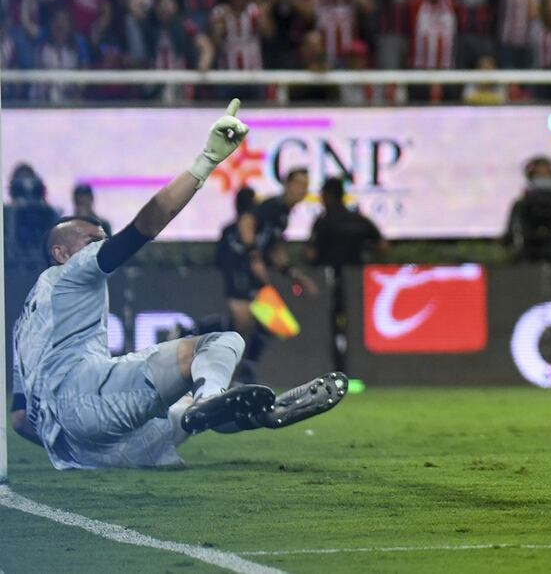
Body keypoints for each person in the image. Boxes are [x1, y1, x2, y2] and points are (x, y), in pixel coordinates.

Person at [8, 100, 348, 470]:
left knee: (182, 413)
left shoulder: (24, 325)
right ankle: (211, 396)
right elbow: (147, 224)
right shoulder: (73, 270)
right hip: (87, 396)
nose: (101, 243)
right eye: (92, 239)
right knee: (221, 343)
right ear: (59, 253)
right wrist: (206, 161)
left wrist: (79, 444)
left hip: (77, 442)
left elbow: (20, 420)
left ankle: (257, 412)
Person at [217, 167, 319, 383]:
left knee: (270, 321)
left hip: (250, 268)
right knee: (242, 320)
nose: (302, 189)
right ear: (287, 185)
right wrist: (254, 256)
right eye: (298, 184)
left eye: (305, 185)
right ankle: (195, 332)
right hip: (238, 263)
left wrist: (293, 274)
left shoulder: (284, 216)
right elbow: (246, 222)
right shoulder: (273, 205)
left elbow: (274, 250)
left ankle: (246, 370)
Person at [307, 177, 387, 372]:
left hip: (328, 282)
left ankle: (335, 367)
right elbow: (383, 246)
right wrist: (365, 250)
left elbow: (311, 253)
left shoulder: (324, 222)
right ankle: (356, 368)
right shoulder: (358, 220)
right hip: (357, 283)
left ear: (327, 196)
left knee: (330, 325)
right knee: (356, 325)